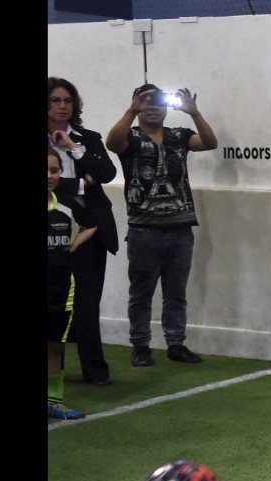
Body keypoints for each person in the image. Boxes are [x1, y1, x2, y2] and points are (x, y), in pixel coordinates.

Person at [105, 84, 218, 368]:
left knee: (176, 292)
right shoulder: (130, 137)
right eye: (146, 102)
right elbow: (111, 143)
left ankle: (176, 343)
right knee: (141, 293)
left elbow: (209, 143)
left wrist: (194, 113)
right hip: (144, 230)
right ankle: (140, 345)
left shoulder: (179, 136)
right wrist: (132, 110)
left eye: (158, 101)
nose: (153, 107)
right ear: (136, 105)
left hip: (180, 229)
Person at [48, 77, 119, 387]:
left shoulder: (86, 138)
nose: (62, 106)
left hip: (91, 230)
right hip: (54, 231)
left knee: (87, 303)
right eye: (55, 100)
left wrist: (73, 148)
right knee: (53, 305)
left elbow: (106, 173)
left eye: (67, 100)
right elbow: (64, 186)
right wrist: (79, 183)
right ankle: (55, 373)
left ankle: (95, 370)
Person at [49, 146, 96, 420]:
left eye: (54, 170)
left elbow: (92, 223)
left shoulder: (66, 208)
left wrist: (72, 246)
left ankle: (52, 401)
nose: (49, 175)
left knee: (55, 346)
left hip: (60, 292)